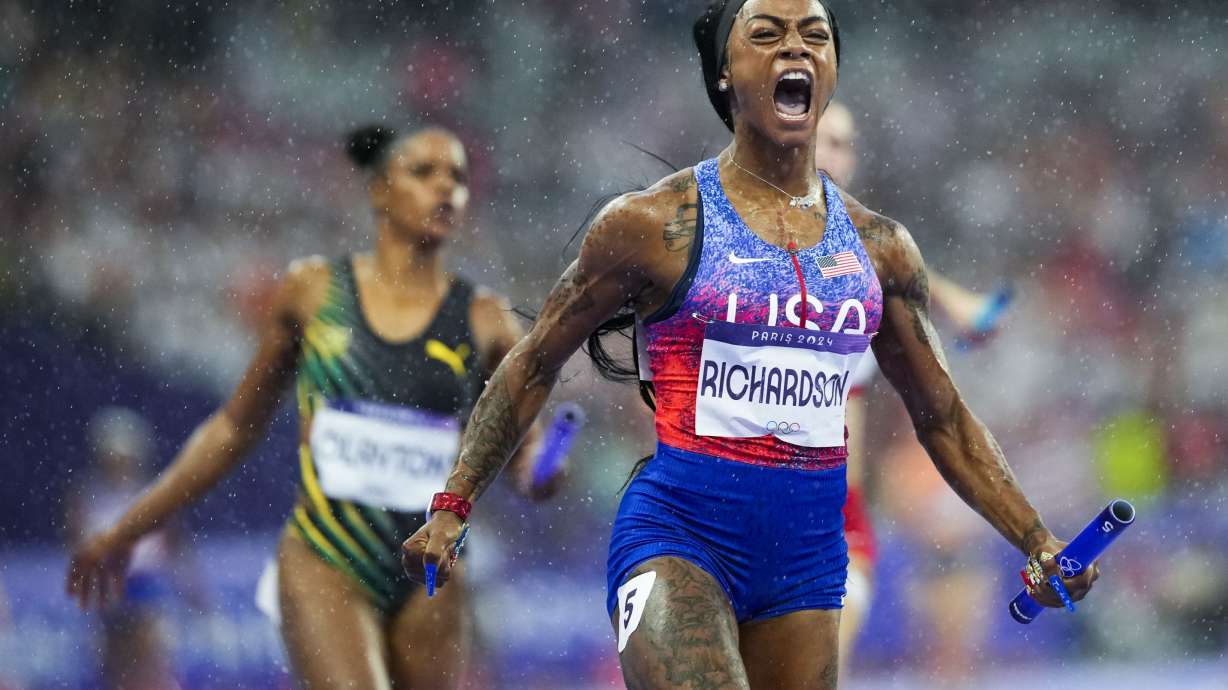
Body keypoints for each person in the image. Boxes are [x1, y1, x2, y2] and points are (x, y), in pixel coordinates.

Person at [403, 1, 1098, 688]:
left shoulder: (880, 250)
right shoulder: (653, 223)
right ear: (726, 76)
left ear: (830, 70)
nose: (794, 47)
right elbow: (532, 364)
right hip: (678, 538)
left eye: (814, 35)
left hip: (807, 562)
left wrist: (1037, 541)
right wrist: (453, 505)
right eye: (765, 34)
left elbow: (942, 417)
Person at [67, 124, 549, 690]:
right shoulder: (315, 293)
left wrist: (541, 468)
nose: (446, 188)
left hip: (426, 565)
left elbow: (525, 453)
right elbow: (231, 427)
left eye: (459, 178)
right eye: (424, 173)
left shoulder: (486, 319)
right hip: (327, 555)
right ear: (380, 191)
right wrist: (129, 527)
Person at [814, 99, 1015, 674]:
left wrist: (962, 308)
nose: (832, 156)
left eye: (844, 144)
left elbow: (895, 271)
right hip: (739, 507)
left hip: (835, 522)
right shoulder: (733, 240)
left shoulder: (869, 256)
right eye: (821, 139)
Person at [65, 408, 185, 690]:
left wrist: (189, 587)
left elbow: (176, 545)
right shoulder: (85, 496)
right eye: (113, 458)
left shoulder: (152, 493)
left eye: (124, 458)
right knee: (113, 660)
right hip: (108, 584)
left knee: (150, 657)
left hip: (147, 585)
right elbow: (76, 544)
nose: (119, 464)